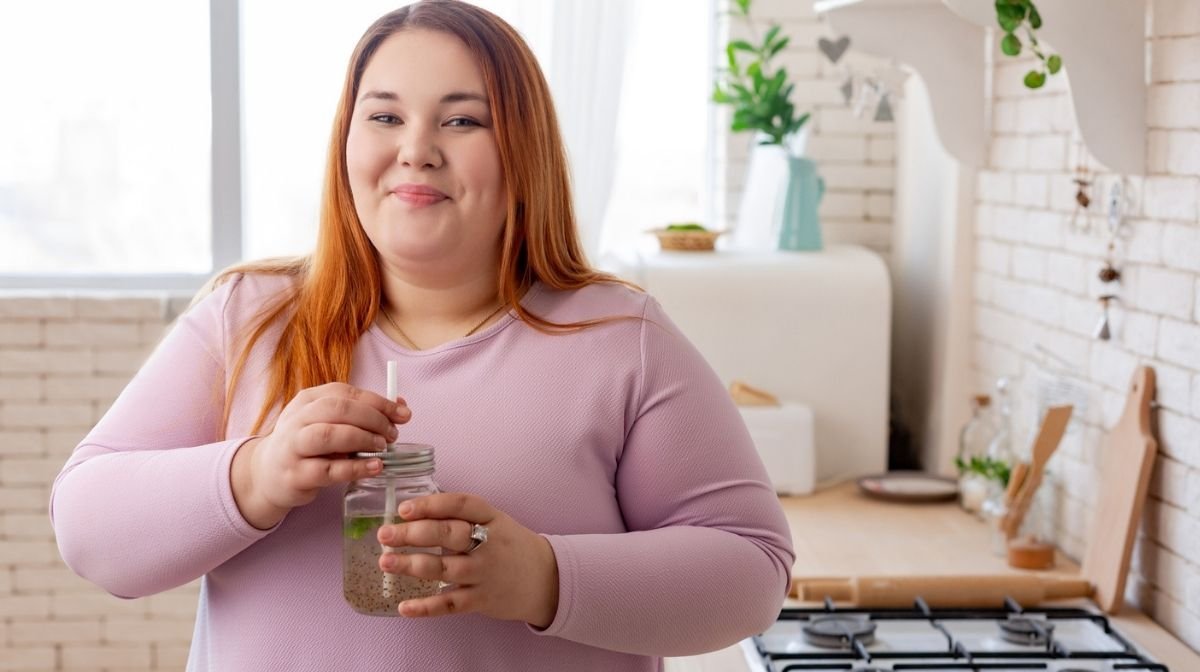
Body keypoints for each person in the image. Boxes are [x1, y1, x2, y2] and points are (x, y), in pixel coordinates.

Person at [50, 1, 794, 670]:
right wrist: (257, 474)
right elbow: (88, 531)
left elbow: (752, 574)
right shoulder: (248, 318)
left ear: (523, 151)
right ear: (346, 143)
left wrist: (542, 576)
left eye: (462, 119)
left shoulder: (618, 339)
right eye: (384, 117)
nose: (417, 148)